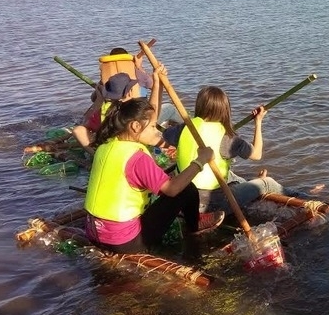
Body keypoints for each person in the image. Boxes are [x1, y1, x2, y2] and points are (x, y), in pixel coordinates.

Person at [83, 88, 224, 256]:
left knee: (170, 185)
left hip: (93, 232)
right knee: (186, 189)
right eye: (151, 126)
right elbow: (172, 189)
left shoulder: (105, 147)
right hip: (124, 241)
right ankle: (194, 226)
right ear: (135, 126)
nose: (156, 131)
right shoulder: (137, 157)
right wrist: (200, 161)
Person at [162, 86, 294, 213]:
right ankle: (305, 199)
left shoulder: (184, 128)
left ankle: (252, 185)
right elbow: (257, 154)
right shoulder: (228, 138)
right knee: (267, 183)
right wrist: (258, 122)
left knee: (231, 176)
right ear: (225, 110)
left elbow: (165, 134)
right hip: (212, 202)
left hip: (183, 197)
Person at [71, 72, 144, 155]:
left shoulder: (104, 108)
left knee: (78, 130)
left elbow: (87, 124)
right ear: (129, 91)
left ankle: (96, 156)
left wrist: (98, 100)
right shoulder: (134, 107)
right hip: (125, 147)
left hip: (107, 147)